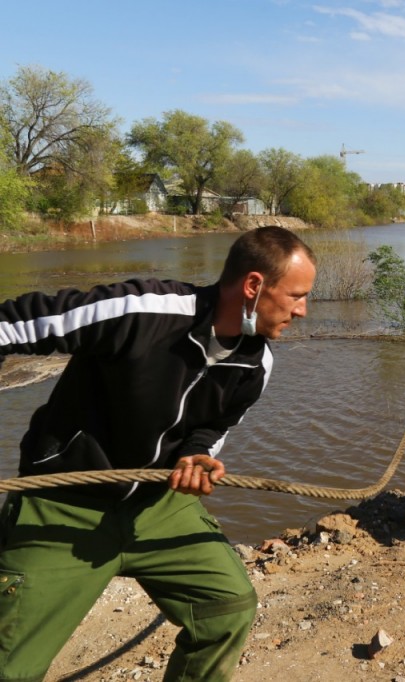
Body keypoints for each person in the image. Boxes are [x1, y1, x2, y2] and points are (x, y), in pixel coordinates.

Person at [0, 226, 317, 681]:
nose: (303, 310)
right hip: (65, 506)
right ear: (253, 286)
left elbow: (211, 429)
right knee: (12, 665)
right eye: (296, 296)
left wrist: (196, 456)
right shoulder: (144, 312)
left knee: (225, 608)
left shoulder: (255, 364)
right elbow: (9, 324)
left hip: (158, 504)